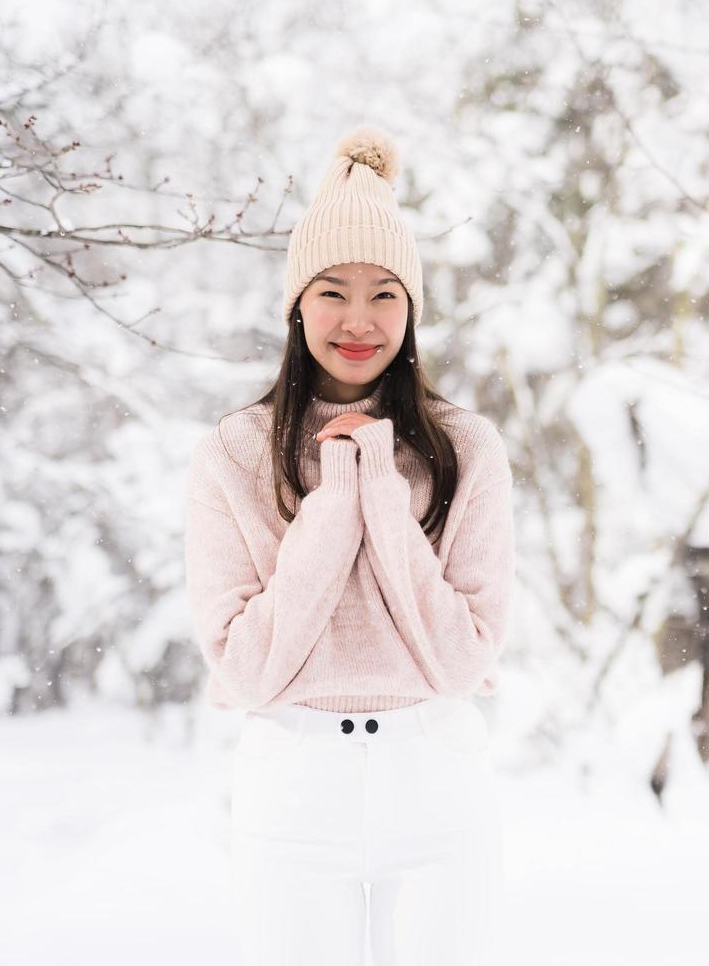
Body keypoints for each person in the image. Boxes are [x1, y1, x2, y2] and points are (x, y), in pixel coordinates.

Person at [182, 124, 513, 966]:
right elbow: (248, 670)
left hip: (437, 781)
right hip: (293, 789)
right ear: (297, 304)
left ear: (413, 307)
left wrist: (381, 488)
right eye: (332, 291)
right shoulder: (236, 450)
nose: (359, 320)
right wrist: (336, 502)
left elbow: (460, 662)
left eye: (385, 294)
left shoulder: (466, 448)